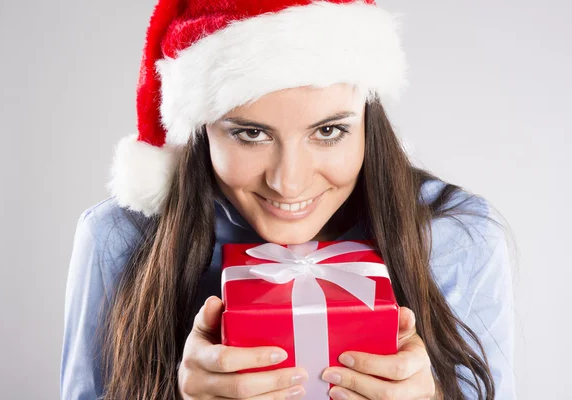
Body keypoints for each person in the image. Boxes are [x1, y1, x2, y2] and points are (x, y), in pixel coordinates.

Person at [60, 1, 516, 399]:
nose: (289, 184)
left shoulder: (456, 236)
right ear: (201, 129)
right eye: (251, 133)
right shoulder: (120, 239)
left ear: (367, 118)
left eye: (328, 131)